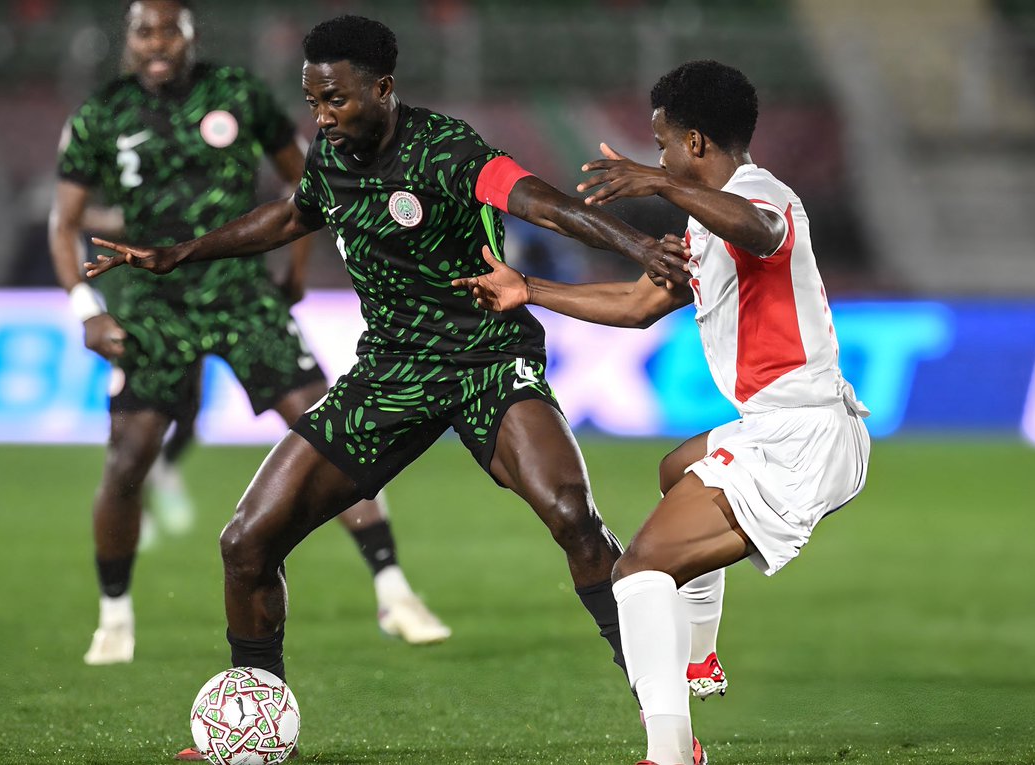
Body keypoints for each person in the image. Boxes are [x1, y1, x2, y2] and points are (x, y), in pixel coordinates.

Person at [86, 14, 709, 765]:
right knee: (247, 541)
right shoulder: (332, 151)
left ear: (382, 88)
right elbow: (291, 214)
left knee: (574, 517)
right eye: (314, 101)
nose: (321, 116)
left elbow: (540, 199)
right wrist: (179, 252)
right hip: (390, 370)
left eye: (336, 100)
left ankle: (662, 716)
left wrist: (640, 244)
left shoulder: (448, 149)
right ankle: (251, 720)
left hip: (485, 358)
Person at [455, 60, 871, 765]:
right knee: (678, 467)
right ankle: (700, 659)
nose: (660, 157)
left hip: (802, 436)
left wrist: (657, 183)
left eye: (665, 145)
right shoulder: (704, 219)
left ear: (697, 144)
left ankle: (672, 751)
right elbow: (641, 304)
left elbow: (765, 233)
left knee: (637, 574)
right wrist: (528, 287)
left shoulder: (758, 194)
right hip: (785, 425)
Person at [49, 0, 451, 674]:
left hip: (239, 291)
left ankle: (393, 589)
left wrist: (293, 272)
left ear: (189, 36)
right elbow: (64, 224)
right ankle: (115, 613)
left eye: (168, 32)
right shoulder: (101, 115)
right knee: (130, 455)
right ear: (130, 40)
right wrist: (87, 310)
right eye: (143, 31)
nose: (156, 44)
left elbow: (305, 180)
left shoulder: (236, 93)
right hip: (151, 299)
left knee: (333, 426)